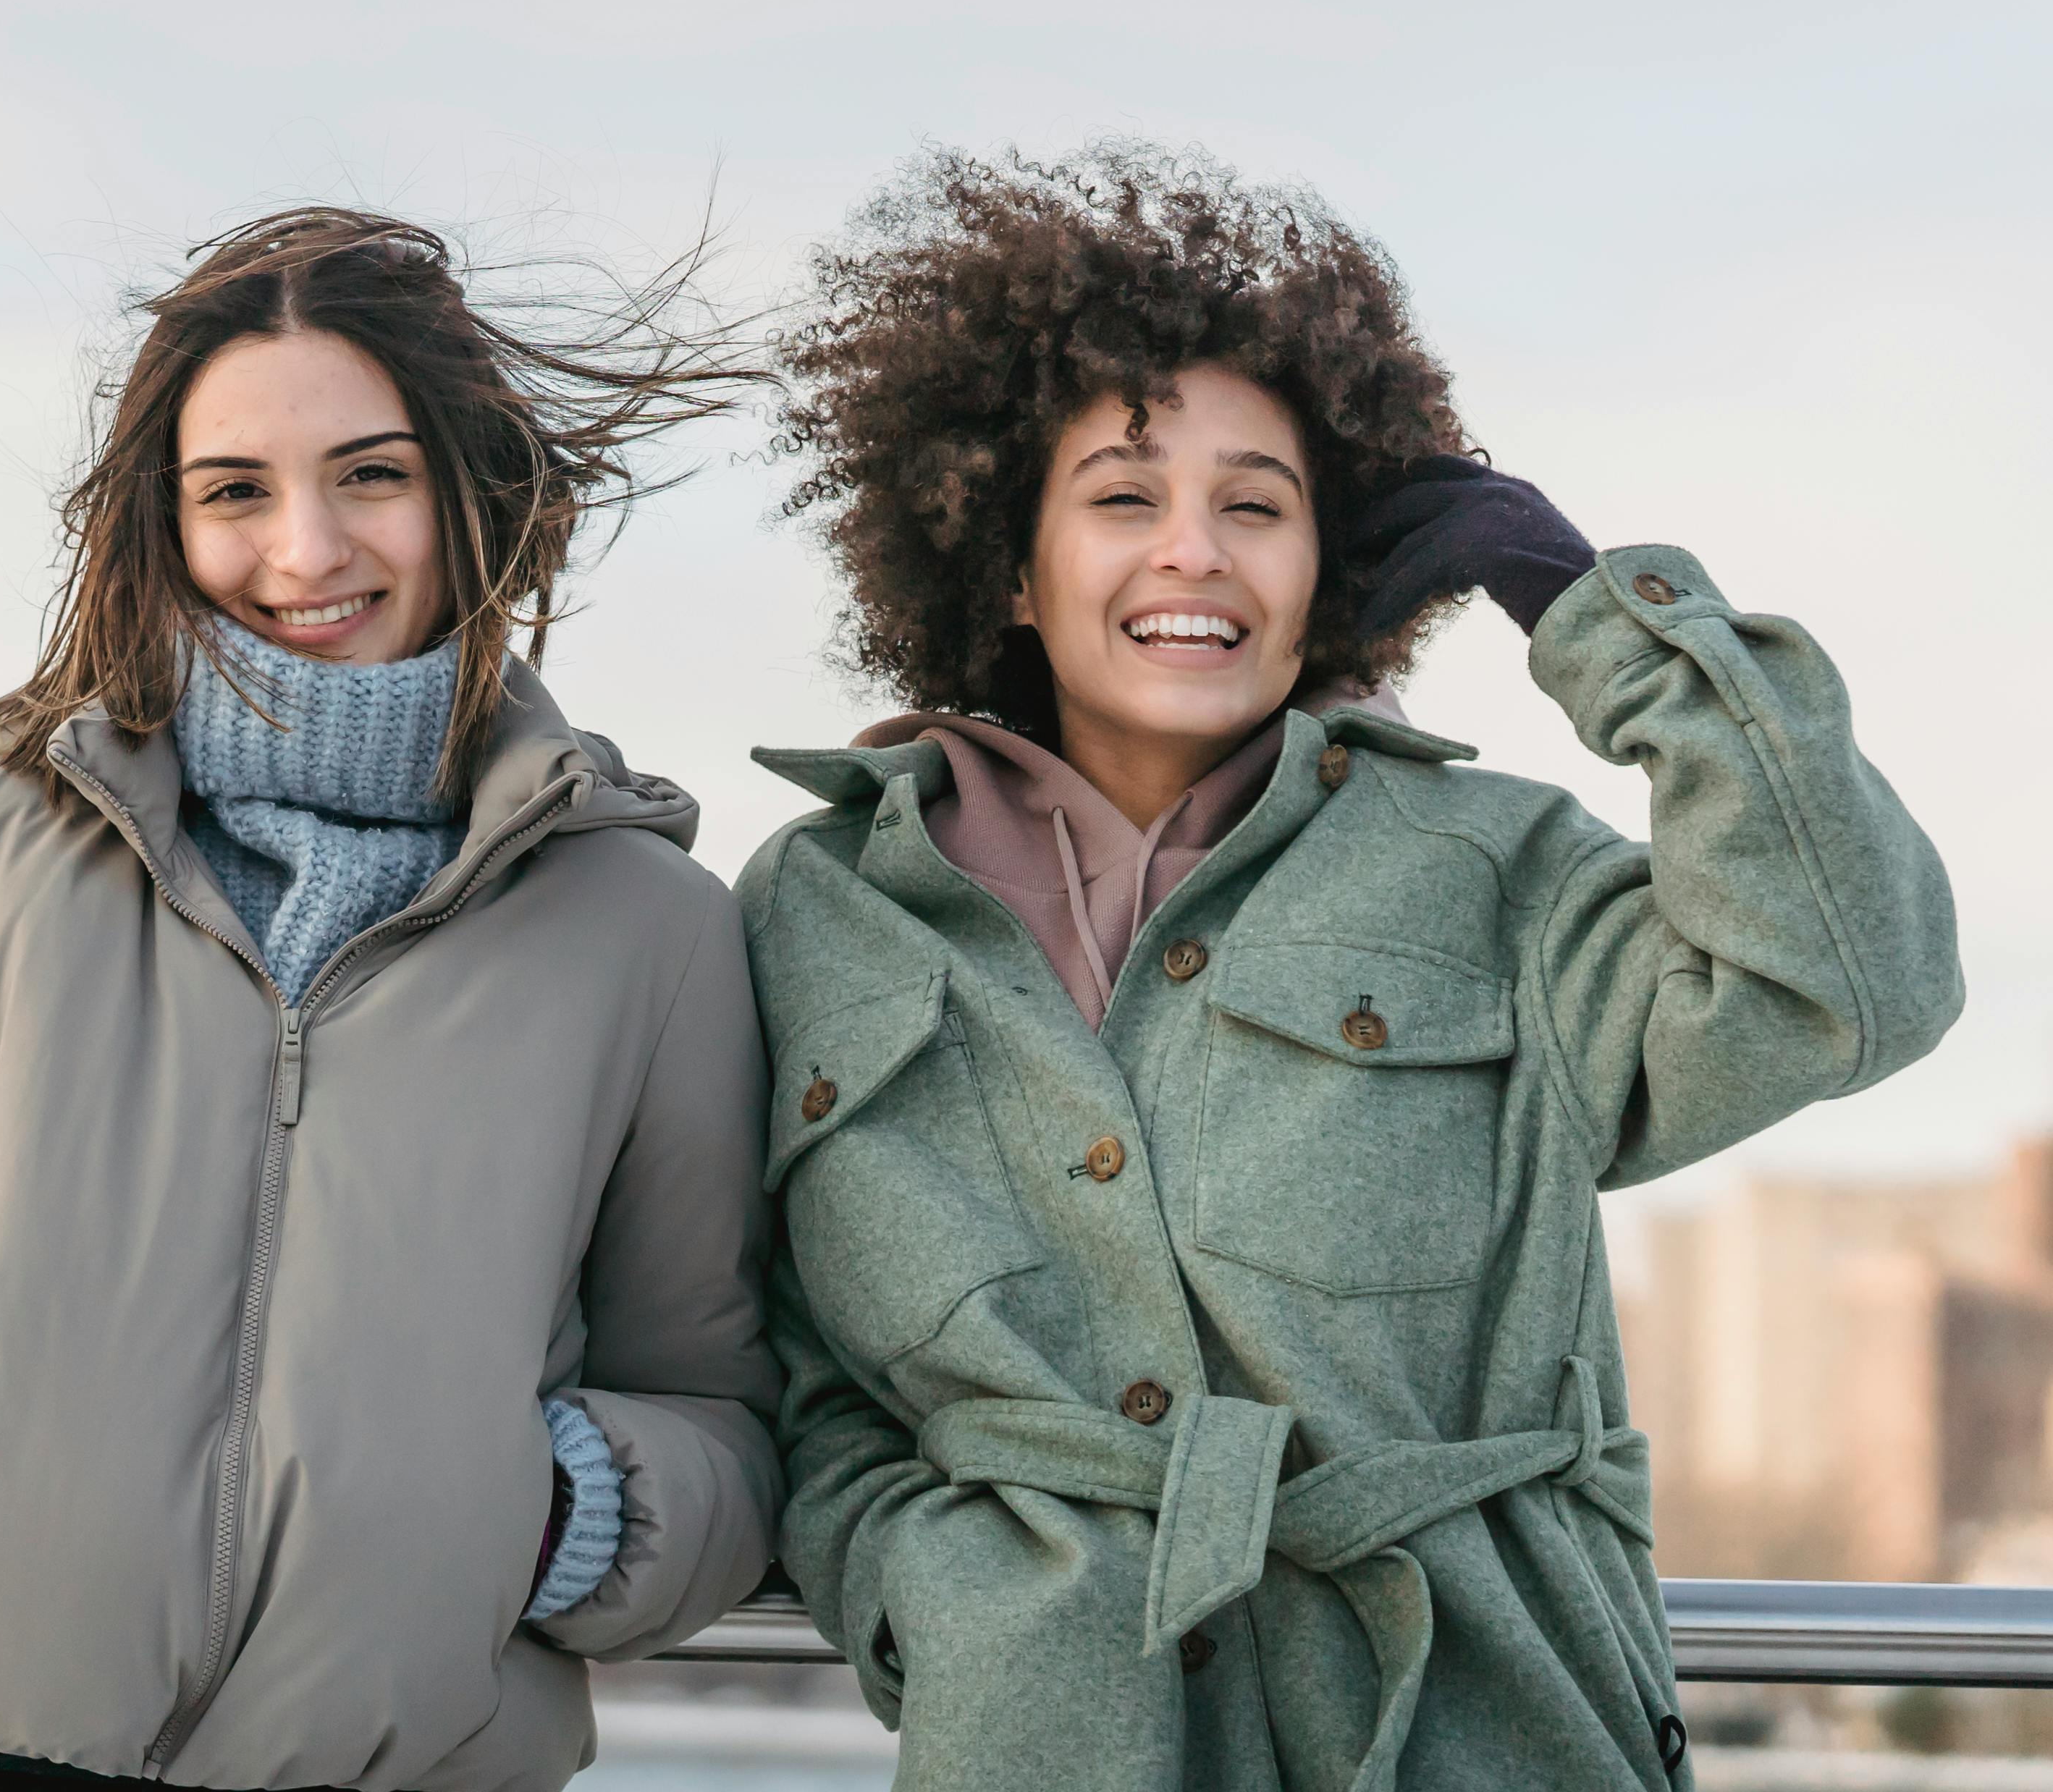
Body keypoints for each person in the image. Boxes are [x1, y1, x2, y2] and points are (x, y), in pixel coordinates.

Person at [739, 146, 1962, 1792]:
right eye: (1122, 498)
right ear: (1012, 569)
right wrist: (930, 1596)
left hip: (1483, 1734)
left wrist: (1588, 607)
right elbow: (806, 1383)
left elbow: (1856, 979)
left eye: (1258, 504)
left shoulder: (1494, 867)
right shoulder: (822, 901)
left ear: (1331, 572)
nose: (1197, 553)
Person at [0, 208, 783, 1792]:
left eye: (372, 473)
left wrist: (566, 1512)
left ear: (472, 495)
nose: (306, 551)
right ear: (161, 526)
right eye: (235, 491)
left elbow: (729, 1418)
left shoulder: (652, 932)